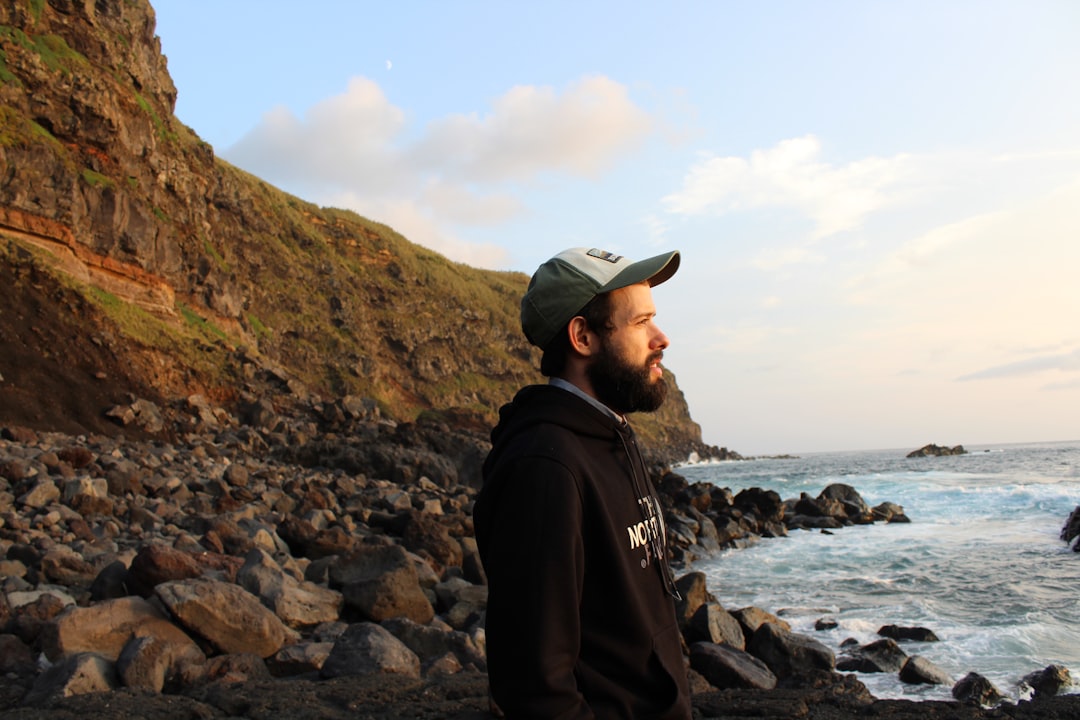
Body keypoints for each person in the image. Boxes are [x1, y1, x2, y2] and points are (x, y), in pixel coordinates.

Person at [473, 247, 692, 719]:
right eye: (641, 323)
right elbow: (535, 684)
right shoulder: (544, 469)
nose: (662, 338)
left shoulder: (610, 436)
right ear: (583, 336)